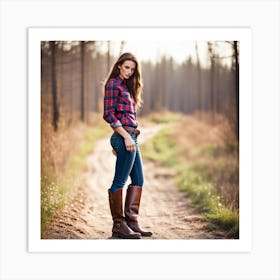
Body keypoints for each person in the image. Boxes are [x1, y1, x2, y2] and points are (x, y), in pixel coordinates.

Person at [103, 52, 152, 239]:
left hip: (132, 137)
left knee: (138, 180)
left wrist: (132, 136)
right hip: (124, 137)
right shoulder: (113, 84)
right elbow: (108, 114)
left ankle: (132, 222)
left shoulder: (127, 86)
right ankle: (118, 225)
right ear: (118, 66)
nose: (130, 72)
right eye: (126, 68)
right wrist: (125, 137)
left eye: (132, 69)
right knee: (119, 181)